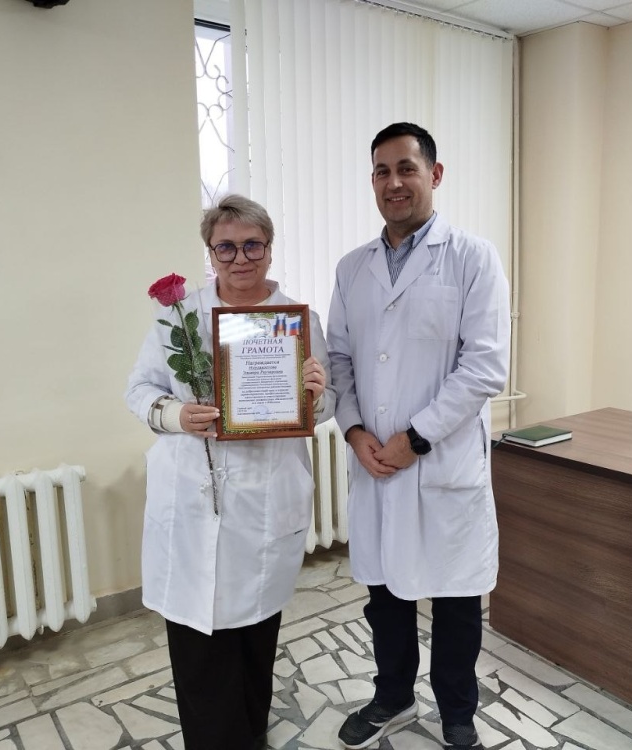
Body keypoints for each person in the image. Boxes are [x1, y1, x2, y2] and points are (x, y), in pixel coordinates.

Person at [125, 194, 335, 750]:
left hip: (264, 501)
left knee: (255, 633)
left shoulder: (299, 321)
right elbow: (139, 390)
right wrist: (175, 414)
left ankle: (251, 730)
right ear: (210, 252)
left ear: (269, 249)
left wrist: (316, 395)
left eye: (252, 245)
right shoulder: (179, 319)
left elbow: (327, 404)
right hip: (192, 499)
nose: (240, 258)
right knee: (198, 639)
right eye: (226, 247)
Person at [326, 123, 510, 750]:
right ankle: (392, 694)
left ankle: (457, 712)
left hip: (440, 461)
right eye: (382, 171)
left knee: (455, 600)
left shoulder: (473, 258)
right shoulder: (352, 268)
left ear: (434, 174)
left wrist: (416, 439)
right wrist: (354, 430)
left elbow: (484, 366)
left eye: (406, 168)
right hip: (375, 460)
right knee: (385, 596)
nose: (394, 182)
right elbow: (340, 359)